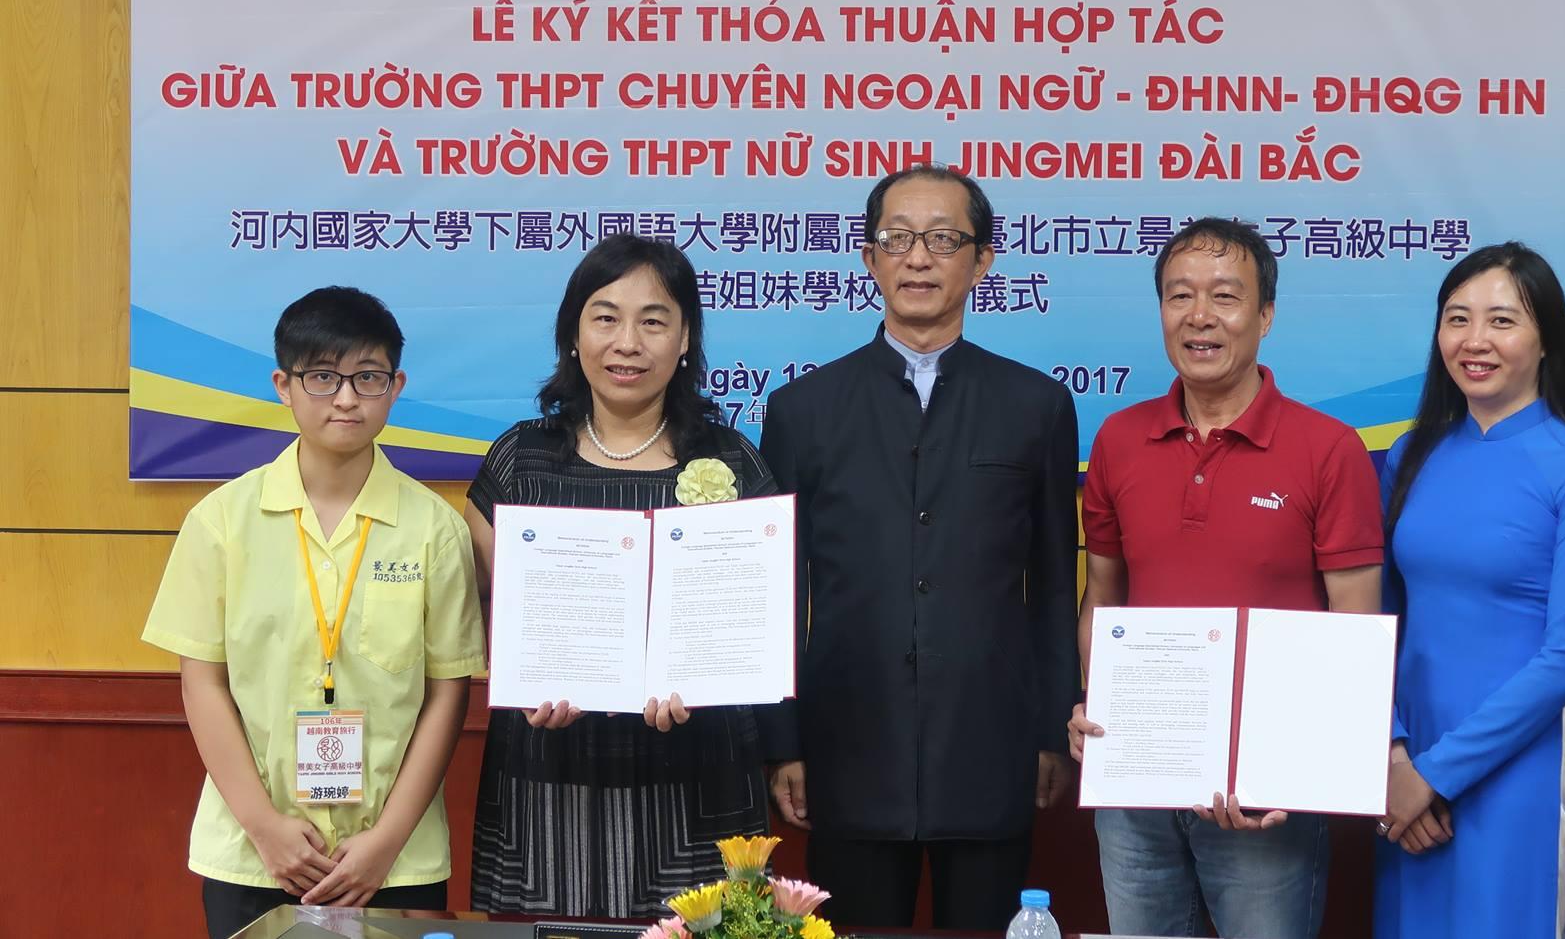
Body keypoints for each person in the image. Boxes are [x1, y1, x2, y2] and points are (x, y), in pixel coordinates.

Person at [758, 164, 1080, 931]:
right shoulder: (803, 410)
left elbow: (1055, 582)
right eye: (896, 239)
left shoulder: (1034, 404)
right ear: (868, 259)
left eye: (943, 239)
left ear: (983, 258)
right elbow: (774, 591)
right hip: (847, 747)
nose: (918, 258)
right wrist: (783, 741)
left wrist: (1048, 732)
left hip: (991, 745)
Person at [1066, 218, 1385, 939]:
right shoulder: (1118, 439)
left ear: (1265, 315)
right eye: (1179, 296)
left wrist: (1293, 769)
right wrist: (1093, 702)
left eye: (1225, 296)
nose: (1200, 316)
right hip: (1136, 783)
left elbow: (1355, 632)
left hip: (1265, 797)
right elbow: (1105, 598)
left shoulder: (1328, 449)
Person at [142, 287, 484, 939]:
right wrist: (266, 828)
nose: (347, 397)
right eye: (323, 376)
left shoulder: (435, 530)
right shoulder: (220, 521)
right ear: (284, 383)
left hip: (396, 860)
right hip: (255, 854)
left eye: (368, 376)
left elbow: (448, 693)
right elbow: (203, 681)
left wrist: (386, 841)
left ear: (396, 385)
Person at [465, 233, 780, 917]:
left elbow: (760, 621)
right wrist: (520, 673)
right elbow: (484, 609)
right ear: (573, 335)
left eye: (654, 319)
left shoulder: (734, 462)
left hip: (698, 778)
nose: (627, 342)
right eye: (605, 317)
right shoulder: (523, 459)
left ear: (686, 337)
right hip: (548, 786)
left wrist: (709, 677)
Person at [1374, 242, 1565, 939]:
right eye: (1457, 318)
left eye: (1502, 320)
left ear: (1546, 339)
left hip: (1518, 773)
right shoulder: (1410, 454)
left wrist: (1438, 774)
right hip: (1405, 766)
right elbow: (1382, 618)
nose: (1475, 340)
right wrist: (1395, 756)